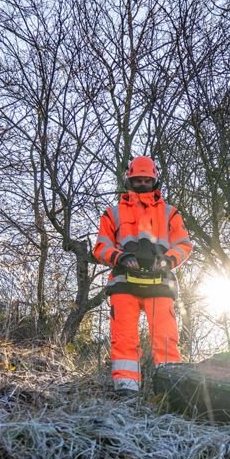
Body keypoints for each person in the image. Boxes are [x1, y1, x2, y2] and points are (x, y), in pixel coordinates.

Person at [93, 155, 193, 393]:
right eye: (137, 180)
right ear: (129, 180)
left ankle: (171, 392)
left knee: (166, 340)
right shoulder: (112, 213)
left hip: (160, 284)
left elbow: (184, 245)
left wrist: (168, 260)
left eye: (146, 180)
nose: (141, 184)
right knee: (124, 339)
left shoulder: (170, 213)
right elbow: (101, 246)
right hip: (124, 283)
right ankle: (126, 391)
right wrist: (120, 257)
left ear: (155, 181)